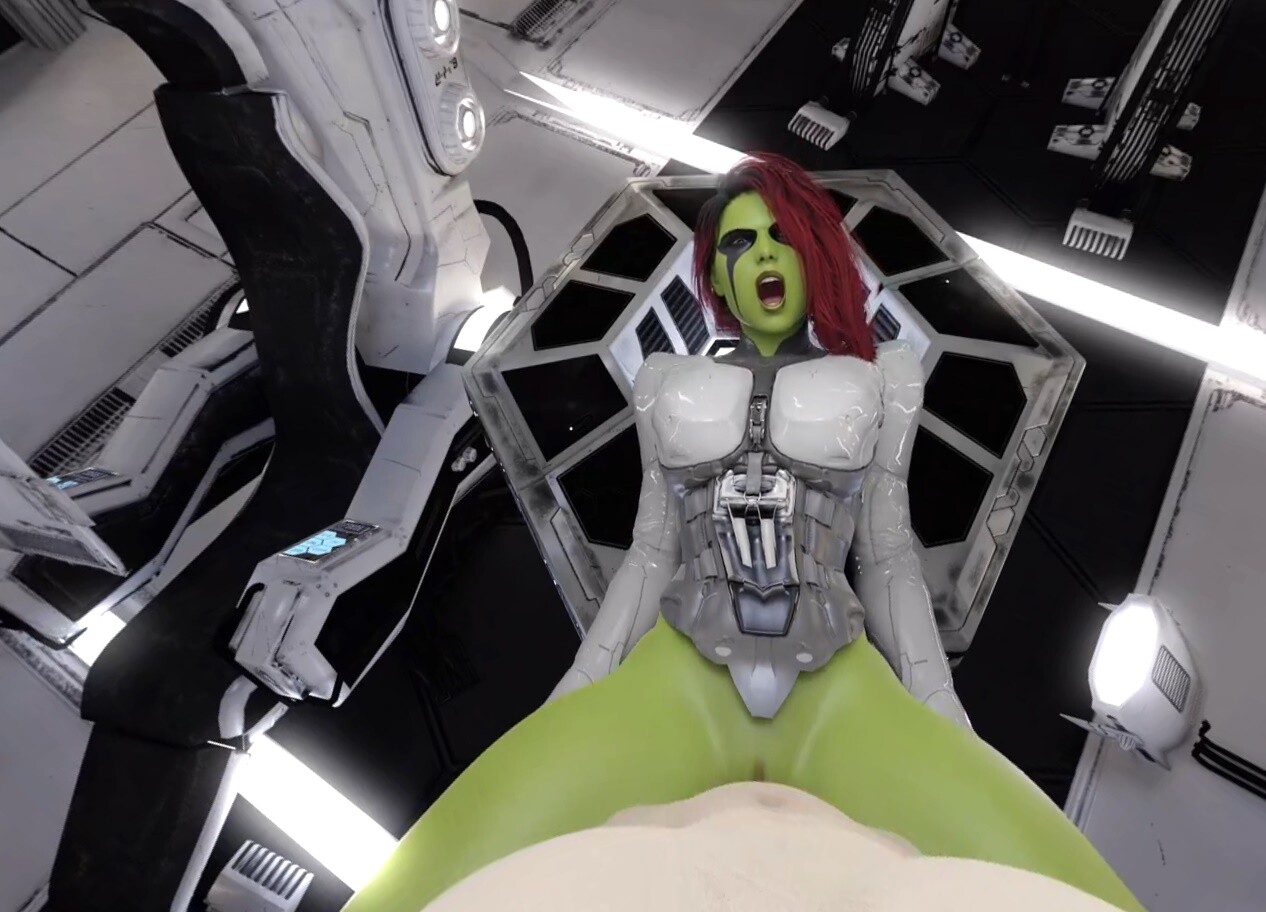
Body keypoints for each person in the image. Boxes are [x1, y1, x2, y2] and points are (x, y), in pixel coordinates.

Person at [342, 153, 1143, 912]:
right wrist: (578, 692)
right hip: (679, 670)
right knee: (449, 864)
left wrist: (940, 712)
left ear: (814, 255)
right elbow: (651, 552)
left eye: (781, 236)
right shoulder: (666, 382)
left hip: (837, 680)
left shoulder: (882, 379)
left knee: (1041, 873)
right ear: (717, 275)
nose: (762, 253)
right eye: (738, 242)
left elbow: (888, 556)